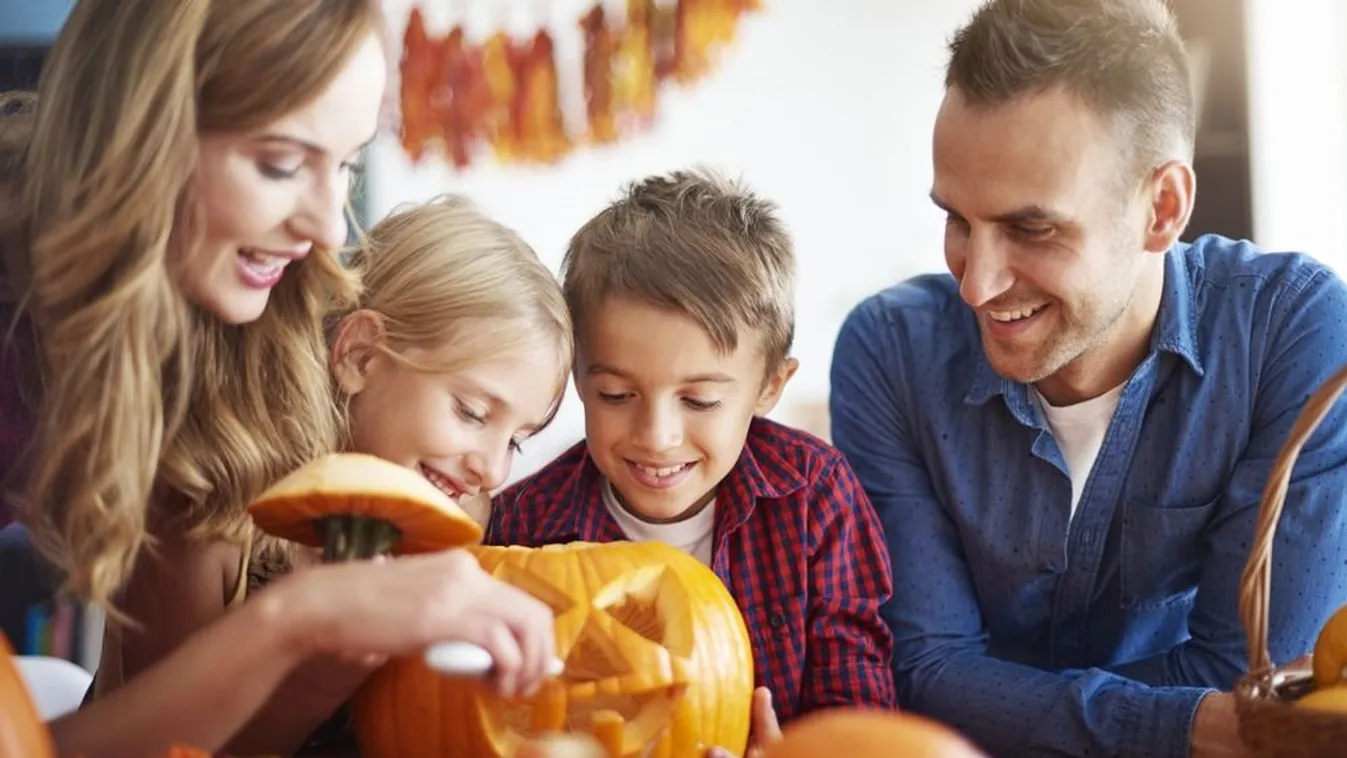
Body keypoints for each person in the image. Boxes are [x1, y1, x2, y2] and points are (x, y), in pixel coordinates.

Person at [0, 2, 555, 757]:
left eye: (347, 164)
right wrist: (300, 621)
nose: (330, 229)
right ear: (146, 132)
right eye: (282, 164)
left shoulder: (223, 342)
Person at [828, 1, 1347, 757]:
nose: (976, 284)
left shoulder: (1289, 331)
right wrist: (1177, 722)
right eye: (957, 221)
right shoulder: (890, 351)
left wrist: (1006, 702)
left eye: (1031, 228)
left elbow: (1260, 694)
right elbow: (922, 672)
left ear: (1161, 209)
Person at [487, 169, 897, 756]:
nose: (657, 437)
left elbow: (858, 708)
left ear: (769, 387)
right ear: (576, 376)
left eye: (699, 400)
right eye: (616, 395)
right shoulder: (522, 529)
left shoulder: (815, 498)